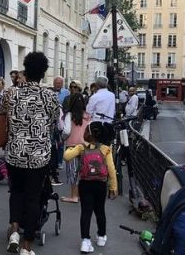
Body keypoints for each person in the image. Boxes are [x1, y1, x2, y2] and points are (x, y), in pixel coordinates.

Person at [0, 52, 60, 255]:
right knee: (33, 198)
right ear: (43, 73)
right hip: (38, 155)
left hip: (14, 152)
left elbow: (1, 114)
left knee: (15, 192)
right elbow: (55, 123)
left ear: (25, 70)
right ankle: (27, 245)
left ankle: (14, 231)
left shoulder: (11, 94)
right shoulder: (50, 96)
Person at [64, 121, 118, 254]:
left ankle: (85, 241)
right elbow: (111, 169)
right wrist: (113, 187)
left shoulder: (82, 148)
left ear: (89, 134)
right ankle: (101, 236)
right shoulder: (105, 149)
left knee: (86, 212)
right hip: (100, 184)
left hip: (85, 184)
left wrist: (72, 149)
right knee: (100, 211)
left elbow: (66, 156)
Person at [60, 93, 90, 204]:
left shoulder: (69, 115)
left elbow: (67, 131)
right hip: (84, 146)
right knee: (83, 171)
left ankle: (74, 196)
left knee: (73, 172)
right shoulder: (87, 115)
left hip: (72, 146)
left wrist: (63, 138)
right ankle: (82, 195)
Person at [49, 77, 70, 186]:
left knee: (60, 143)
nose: (58, 84)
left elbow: (68, 105)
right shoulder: (49, 92)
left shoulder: (66, 92)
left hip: (62, 119)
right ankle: (53, 163)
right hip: (53, 122)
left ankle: (59, 161)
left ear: (62, 84)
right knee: (53, 144)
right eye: (56, 83)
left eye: (59, 83)